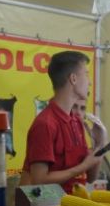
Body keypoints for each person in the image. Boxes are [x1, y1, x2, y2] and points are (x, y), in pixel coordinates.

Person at [24, 51, 103, 193]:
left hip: (78, 203)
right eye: (86, 74)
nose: (90, 82)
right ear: (73, 79)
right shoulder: (45, 124)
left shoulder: (76, 122)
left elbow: (90, 178)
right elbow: (39, 180)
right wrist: (82, 167)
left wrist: (99, 145)